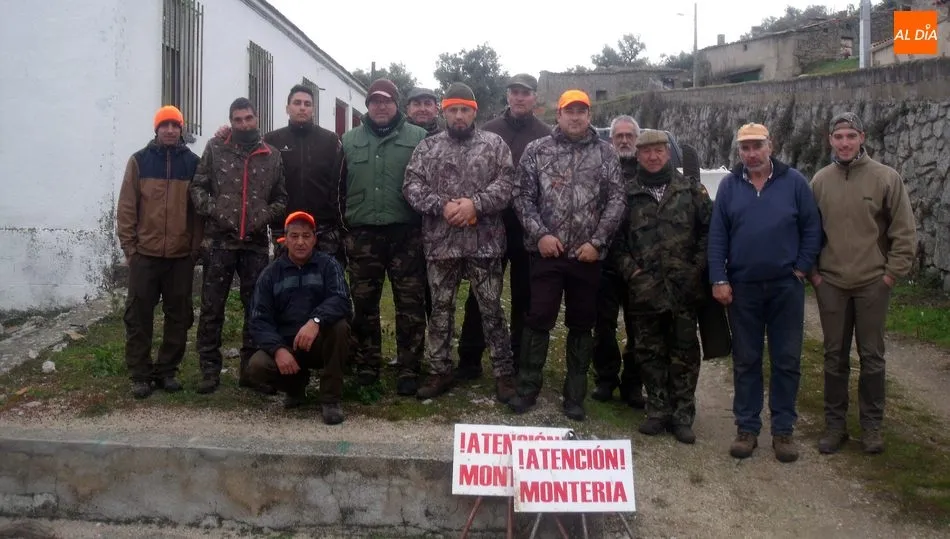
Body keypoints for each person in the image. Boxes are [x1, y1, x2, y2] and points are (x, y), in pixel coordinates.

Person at [507, 89, 625, 421]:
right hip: (548, 253)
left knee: (582, 324)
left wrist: (597, 242)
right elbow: (522, 196)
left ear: (589, 116)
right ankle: (527, 388)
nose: (575, 117)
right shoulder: (537, 150)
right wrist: (540, 235)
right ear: (558, 115)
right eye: (569, 111)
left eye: (581, 111)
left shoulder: (606, 153)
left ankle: (575, 396)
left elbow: (617, 200)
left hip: (587, 257)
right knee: (537, 319)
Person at [708, 123, 822, 462]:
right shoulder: (729, 186)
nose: (751, 153)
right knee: (746, 360)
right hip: (743, 288)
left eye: (757, 146)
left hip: (786, 286)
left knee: (786, 359)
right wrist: (718, 278)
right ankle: (747, 428)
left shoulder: (795, 182)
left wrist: (801, 267)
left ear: (770, 146)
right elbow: (717, 236)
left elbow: (812, 227)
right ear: (739, 152)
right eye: (745, 148)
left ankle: (783, 431)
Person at [810, 112, 917, 455]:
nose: (845, 143)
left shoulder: (886, 178)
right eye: (839, 137)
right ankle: (835, 426)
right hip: (831, 283)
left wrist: (891, 274)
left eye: (851, 136)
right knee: (833, 357)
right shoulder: (820, 181)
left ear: (862, 138)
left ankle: (871, 427)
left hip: (873, 282)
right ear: (830, 140)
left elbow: (904, 231)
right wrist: (814, 274)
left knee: (872, 357)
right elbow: (808, 231)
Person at [403, 82, 517, 402]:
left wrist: (475, 205)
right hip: (441, 243)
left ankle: (504, 372)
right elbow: (411, 186)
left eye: (464, 110)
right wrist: (442, 206)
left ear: (474, 112)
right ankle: (440, 369)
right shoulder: (427, 148)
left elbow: (507, 184)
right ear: (444, 112)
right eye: (452, 109)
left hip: (485, 243)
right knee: (440, 310)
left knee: (491, 309)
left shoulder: (494, 145)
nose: (458, 116)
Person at [613, 129, 711, 444]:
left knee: (685, 352)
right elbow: (615, 241)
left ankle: (682, 415)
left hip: (684, 288)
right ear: (638, 156)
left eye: (658, 151)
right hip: (644, 289)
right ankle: (657, 409)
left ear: (668, 153)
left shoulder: (691, 190)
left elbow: (709, 233)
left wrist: (695, 270)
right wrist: (633, 273)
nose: (653, 157)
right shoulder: (626, 195)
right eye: (646, 152)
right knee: (648, 351)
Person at [456, 73, 552, 381]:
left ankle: (519, 358)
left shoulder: (545, 135)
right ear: (507, 96)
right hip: (489, 224)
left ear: (534, 97)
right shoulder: (489, 130)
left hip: (527, 228)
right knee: (481, 293)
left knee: (525, 294)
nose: (520, 97)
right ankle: (469, 357)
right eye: (515, 92)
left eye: (526, 92)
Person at [190, 97, 288, 394]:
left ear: (257, 118)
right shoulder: (215, 148)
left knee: (255, 308)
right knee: (212, 308)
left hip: (255, 245)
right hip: (220, 243)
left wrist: (264, 216)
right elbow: (197, 187)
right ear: (231, 121)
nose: (243, 124)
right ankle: (209, 369)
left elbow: (281, 198)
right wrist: (215, 210)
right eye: (237, 119)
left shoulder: (271, 155)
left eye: (248, 118)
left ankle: (250, 370)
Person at [340, 79, 428, 396]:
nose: (381, 106)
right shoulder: (348, 140)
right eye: (375, 101)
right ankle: (367, 363)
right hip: (364, 235)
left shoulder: (419, 138)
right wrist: (345, 228)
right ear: (367, 105)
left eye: (387, 101)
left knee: (410, 303)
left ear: (396, 104)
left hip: (407, 234)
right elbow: (339, 187)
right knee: (364, 303)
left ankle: (409, 367)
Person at [116, 105, 201, 399]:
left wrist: (193, 250)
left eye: (175, 125)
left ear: (181, 130)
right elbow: (127, 206)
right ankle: (140, 374)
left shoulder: (193, 164)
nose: (170, 130)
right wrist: (130, 248)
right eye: (164, 125)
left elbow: (198, 213)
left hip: (180, 257)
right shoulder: (139, 161)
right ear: (156, 129)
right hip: (145, 255)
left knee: (179, 316)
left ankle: (167, 371)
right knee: (138, 317)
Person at [246, 211, 351, 425]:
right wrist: (278, 349)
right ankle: (295, 387)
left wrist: (316, 321)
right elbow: (258, 319)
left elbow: (341, 299)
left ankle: (330, 399)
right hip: (287, 346)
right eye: (294, 236)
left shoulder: (329, 265)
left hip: (319, 342)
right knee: (257, 366)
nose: (300, 242)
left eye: (306, 236)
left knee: (340, 328)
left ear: (314, 239)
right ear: (285, 240)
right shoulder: (270, 274)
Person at [591, 115, 644, 408]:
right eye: (618, 136)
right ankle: (606, 378)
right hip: (605, 261)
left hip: (638, 264)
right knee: (603, 326)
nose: (624, 140)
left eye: (629, 136)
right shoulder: (599, 169)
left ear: (637, 139)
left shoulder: (648, 170)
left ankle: (633, 384)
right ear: (610, 140)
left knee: (639, 327)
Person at [264, 85, 346, 265]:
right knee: (288, 280)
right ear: (287, 108)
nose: (302, 108)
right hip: (285, 229)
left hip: (324, 230)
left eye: (307, 104)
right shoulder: (271, 141)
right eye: (297, 103)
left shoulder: (330, 140)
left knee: (327, 279)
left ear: (313, 109)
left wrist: (339, 223)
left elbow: (340, 184)